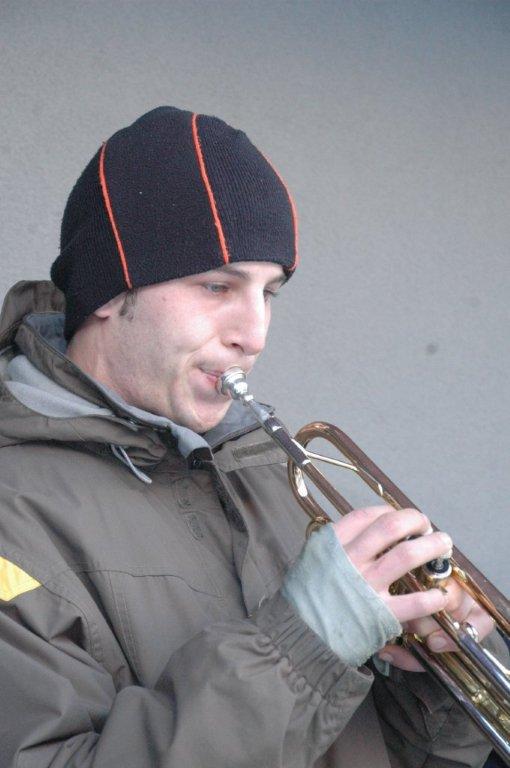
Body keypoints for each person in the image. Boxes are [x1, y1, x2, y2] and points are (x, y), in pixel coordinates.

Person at [0, 106, 505, 768]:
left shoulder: (265, 470)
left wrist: (434, 677)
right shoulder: (14, 511)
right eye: (218, 286)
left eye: (270, 293)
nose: (255, 333)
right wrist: (304, 643)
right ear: (108, 291)